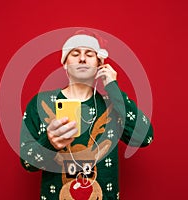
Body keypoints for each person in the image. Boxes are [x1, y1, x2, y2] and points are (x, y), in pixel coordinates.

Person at [20, 30, 154, 200]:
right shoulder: (41, 103)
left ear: (100, 64)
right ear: (65, 63)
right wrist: (49, 142)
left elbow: (145, 138)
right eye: (75, 54)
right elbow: (27, 163)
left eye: (89, 54)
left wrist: (113, 88)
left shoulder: (112, 104)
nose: (82, 58)